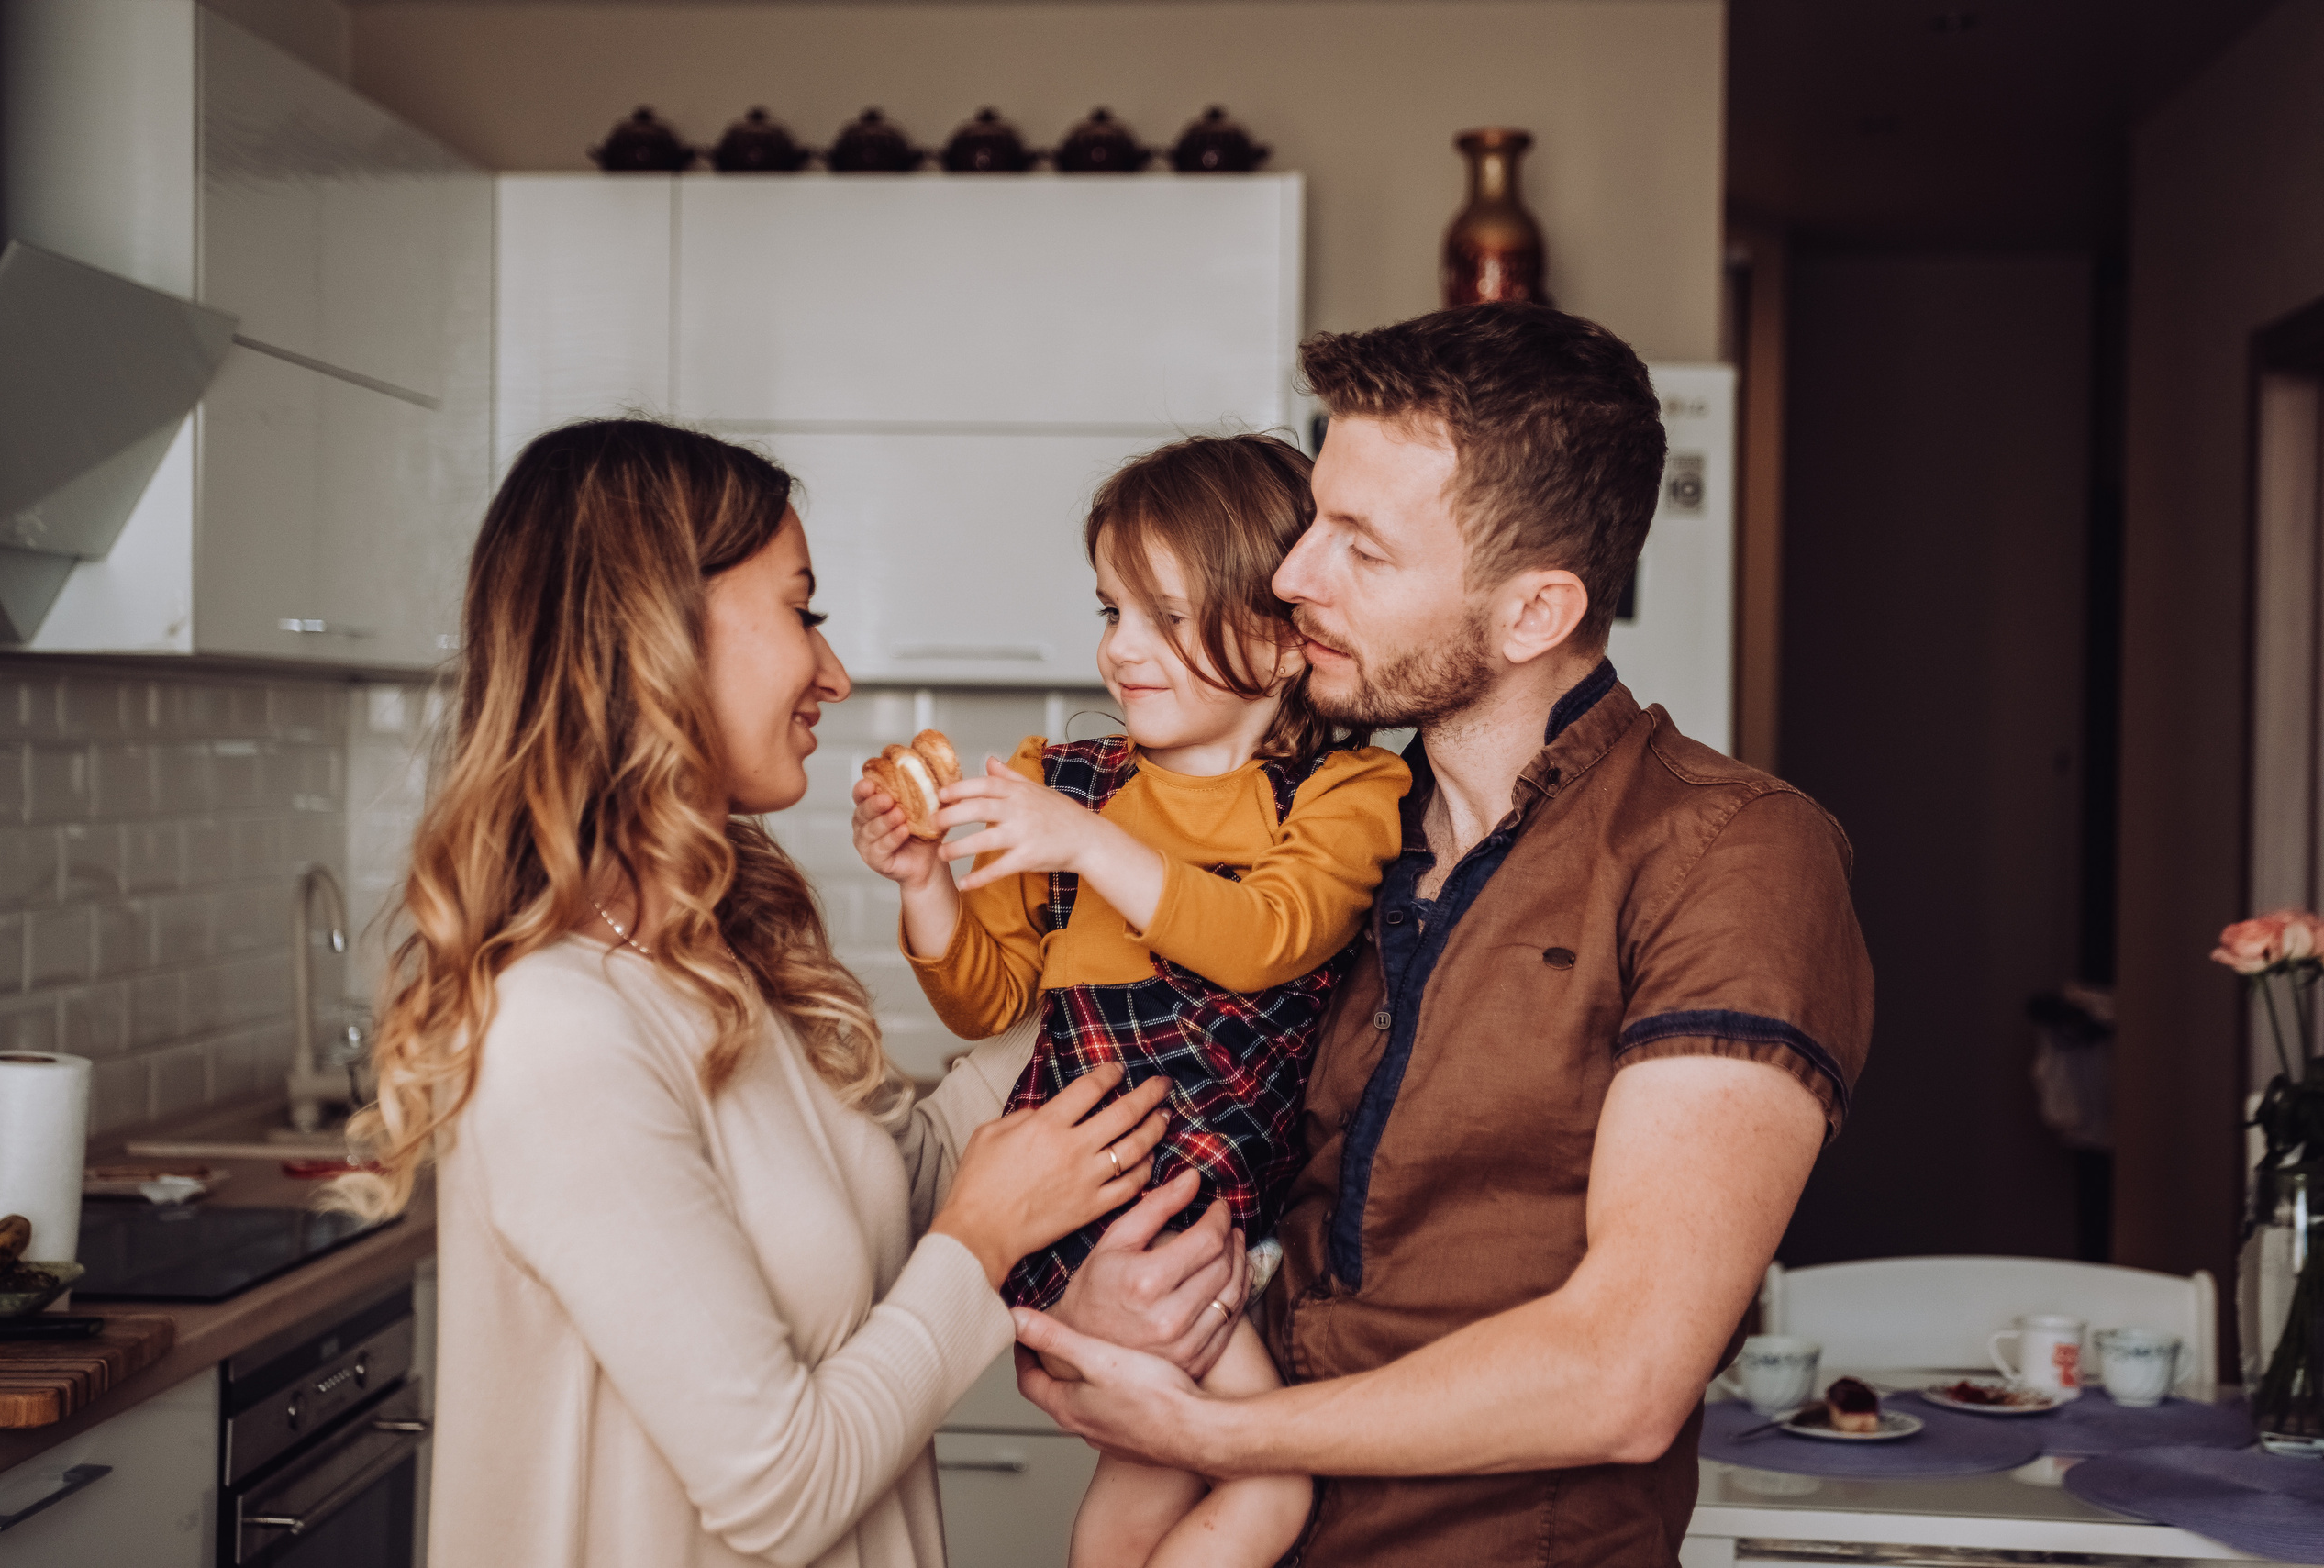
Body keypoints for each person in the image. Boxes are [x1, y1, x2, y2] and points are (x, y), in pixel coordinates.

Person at [1012, 304, 1876, 1567]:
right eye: (1313, 518)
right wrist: (1093, 1294)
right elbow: (1102, 1083)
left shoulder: (1732, 853)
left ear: (1534, 613)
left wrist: (1225, 1432)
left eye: (1360, 546)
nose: (1294, 574)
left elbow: (1624, 1373)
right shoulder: (1318, 835)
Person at [336, 418, 1192, 1568]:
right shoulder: (560, 1028)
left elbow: (910, 1184)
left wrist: (1162, 950)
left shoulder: (707, 959)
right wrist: (984, 1241)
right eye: (803, 611)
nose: (833, 673)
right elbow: (778, 1487)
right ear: (657, 634)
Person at [852, 435, 1413, 1567]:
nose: (1119, 651)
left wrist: (1087, 845)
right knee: (1272, 1480)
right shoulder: (1055, 786)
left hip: (1213, 1212)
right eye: (1111, 609)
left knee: (1157, 1468)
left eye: (1162, 617)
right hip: (1104, 1200)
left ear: (1277, 627)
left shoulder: (1348, 791)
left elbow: (1267, 938)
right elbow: (988, 996)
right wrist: (925, 886)